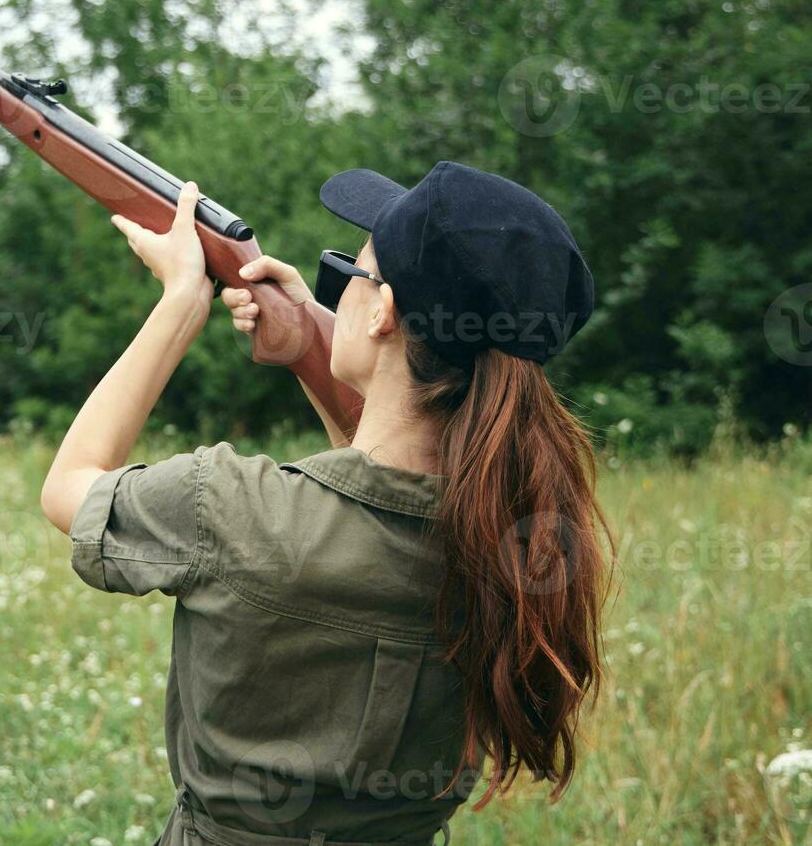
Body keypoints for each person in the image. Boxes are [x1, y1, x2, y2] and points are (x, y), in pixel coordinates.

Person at [40, 162, 611, 846]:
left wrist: (181, 301)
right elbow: (382, 493)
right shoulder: (518, 548)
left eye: (353, 274)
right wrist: (309, 338)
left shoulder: (226, 506)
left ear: (385, 311)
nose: (335, 291)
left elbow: (71, 484)